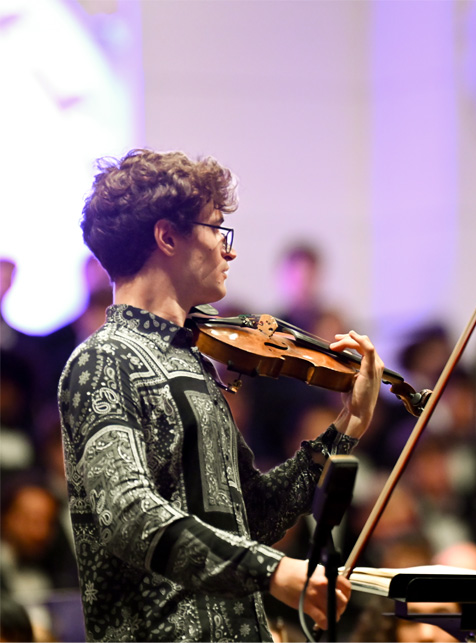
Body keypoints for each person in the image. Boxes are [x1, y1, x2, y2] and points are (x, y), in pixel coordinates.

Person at [59, 149, 386, 641]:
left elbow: (252, 516)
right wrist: (275, 573)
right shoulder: (102, 359)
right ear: (167, 236)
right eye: (217, 229)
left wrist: (348, 426)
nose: (228, 251)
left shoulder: (192, 362)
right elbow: (128, 514)